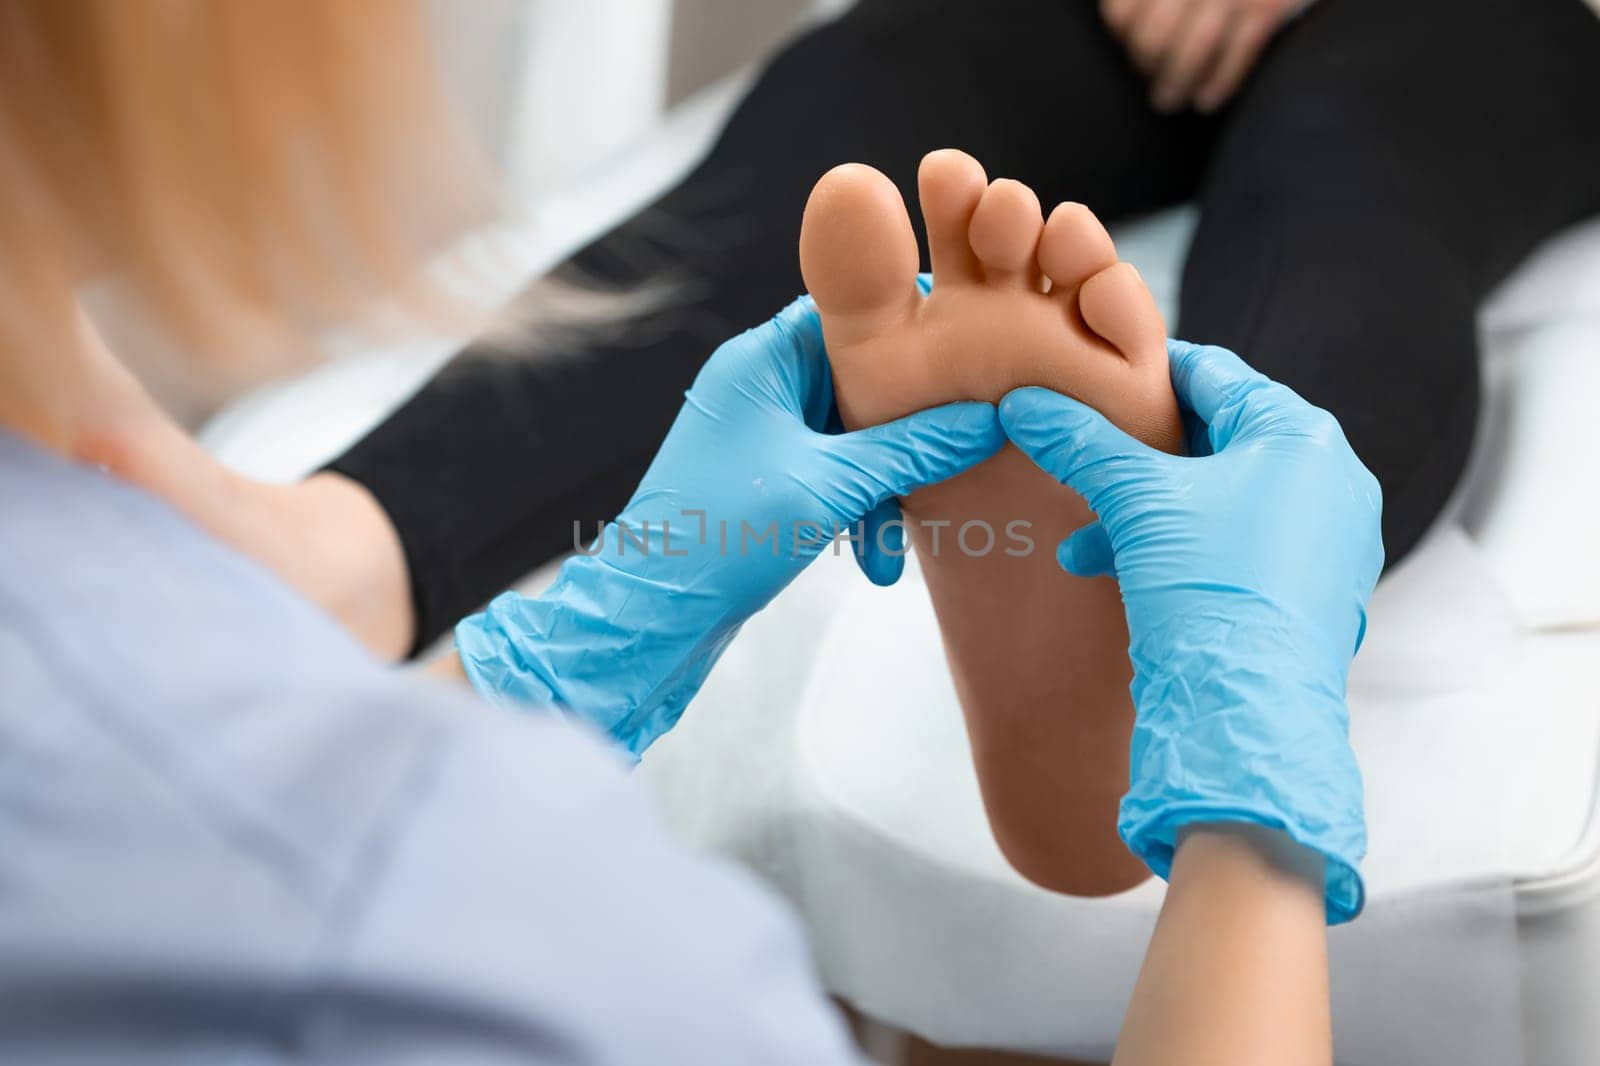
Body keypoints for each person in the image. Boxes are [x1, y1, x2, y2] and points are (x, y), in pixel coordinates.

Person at [0, 2, 1382, 1062]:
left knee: (1350, 189)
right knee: (860, 107)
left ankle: (1137, 567)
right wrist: (1255, 838)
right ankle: (1203, 638)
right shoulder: (564, 969)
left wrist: (548, 654)